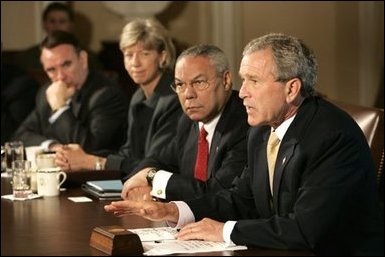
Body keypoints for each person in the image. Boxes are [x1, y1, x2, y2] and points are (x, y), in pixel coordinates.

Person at [104, 33, 384, 255]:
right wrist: (174, 211)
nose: (243, 93)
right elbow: (241, 198)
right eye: (243, 79)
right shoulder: (262, 130)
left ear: (291, 89)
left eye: (254, 81)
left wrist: (225, 232)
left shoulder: (332, 136)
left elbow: (305, 229)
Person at [121, 44, 249, 201]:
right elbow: (158, 160)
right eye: (180, 85)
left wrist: (152, 177)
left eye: (199, 82)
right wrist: (139, 181)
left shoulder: (245, 122)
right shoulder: (187, 121)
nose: (188, 94)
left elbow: (216, 194)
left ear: (226, 80)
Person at [54, 18, 182, 175]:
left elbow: (154, 166)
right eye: (129, 55)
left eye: (144, 54)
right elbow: (128, 154)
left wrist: (91, 161)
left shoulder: (174, 98)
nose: (135, 63)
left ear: (162, 57)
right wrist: (79, 157)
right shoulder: (138, 97)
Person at [12, 30, 128, 157]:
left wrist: (60, 108)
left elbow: (88, 149)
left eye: (66, 65)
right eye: (51, 70)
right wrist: (51, 146)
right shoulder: (46, 93)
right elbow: (20, 135)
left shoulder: (107, 95)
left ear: (83, 59)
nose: (60, 76)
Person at [15, 2, 102, 72]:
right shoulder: (27, 57)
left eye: (62, 21)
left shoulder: (88, 57)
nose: (56, 26)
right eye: (52, 21)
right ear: (44, 24)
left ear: (71, 26)